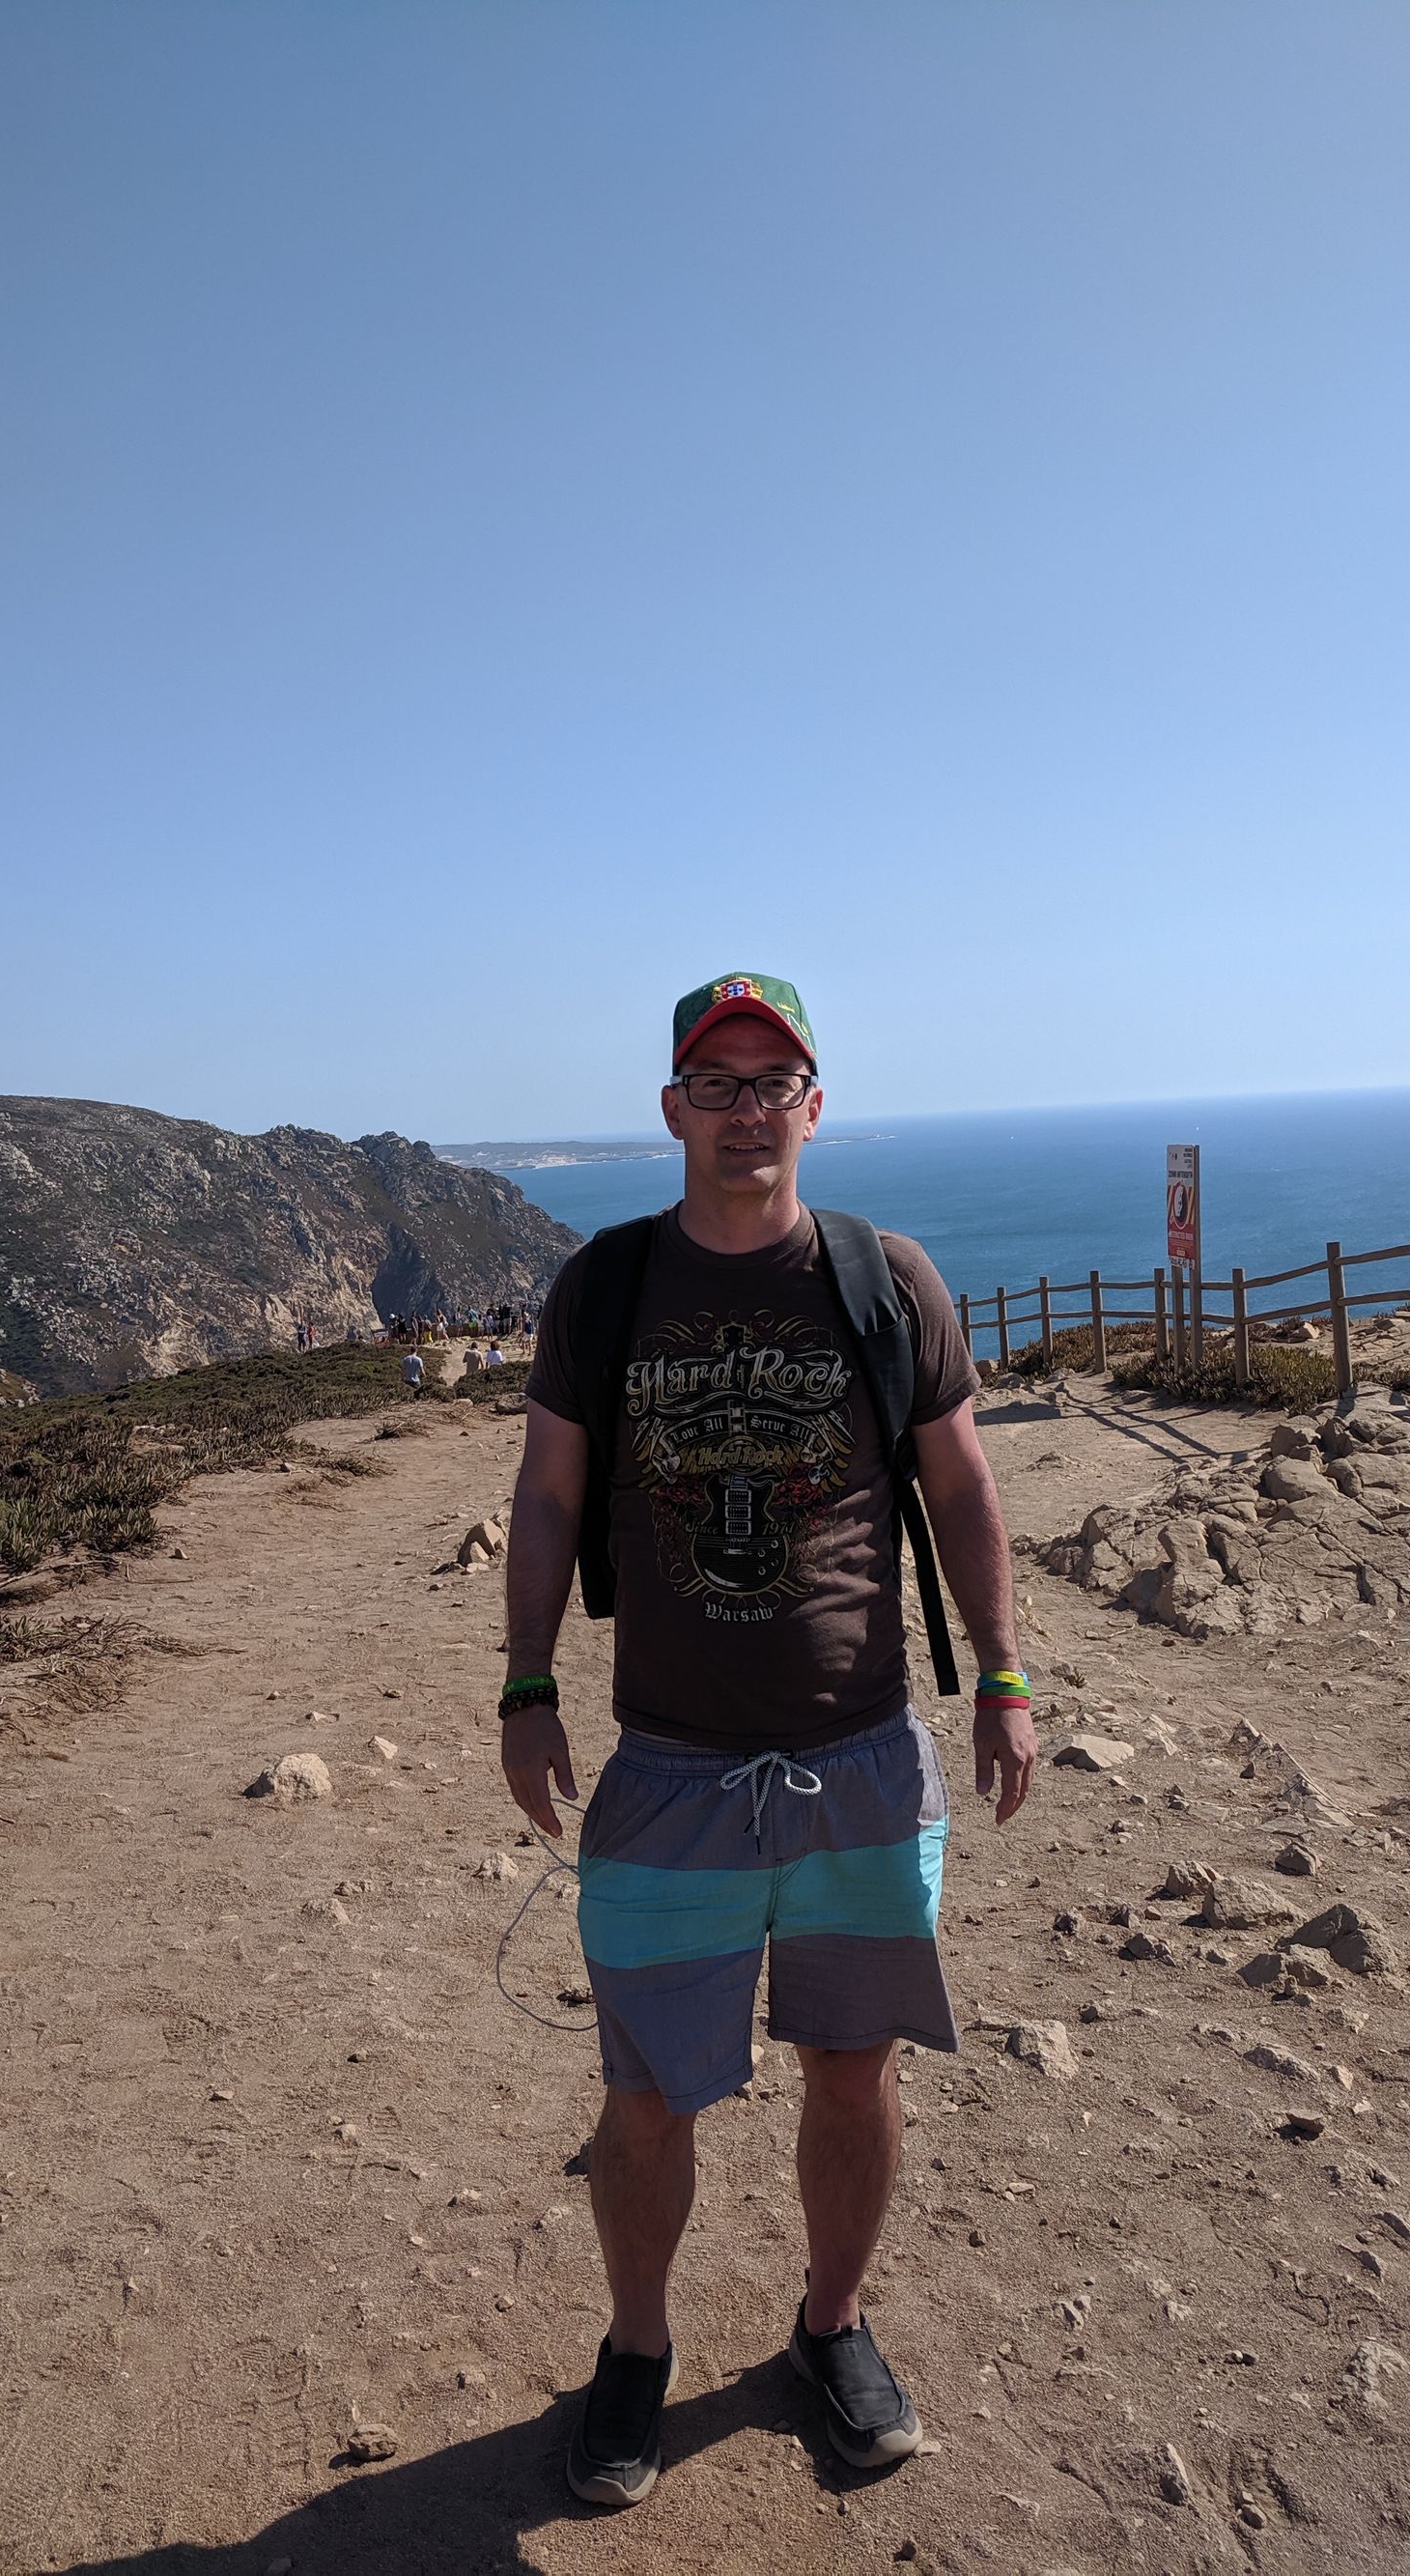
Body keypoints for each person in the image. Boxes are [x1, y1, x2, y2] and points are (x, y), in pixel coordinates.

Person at [502, 972, 1035, 2509]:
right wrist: (527, 1687)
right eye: (718, 1084)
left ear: (815, 1105)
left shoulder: (886, 1279)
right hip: (668, 1767)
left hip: (859, 1757)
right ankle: (637, 2348)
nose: (748, 1111)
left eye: (773, 1083)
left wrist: (1004, 1675)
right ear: (674, 1108)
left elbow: (961, 1484)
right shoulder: (605, 1288)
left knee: (854, 2072)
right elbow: (547, 1494)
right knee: (647, 2092)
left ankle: (832, 2326)